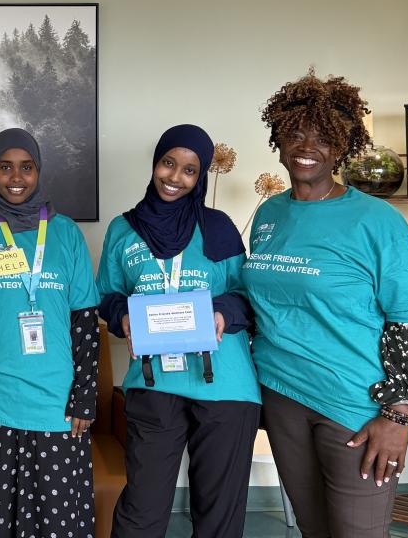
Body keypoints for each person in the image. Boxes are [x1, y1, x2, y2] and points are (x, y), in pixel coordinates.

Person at [241, 71, 408, 538]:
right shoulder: (270, 213)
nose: (306, 147)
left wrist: (398, 416)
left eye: (323, 138)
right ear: (279, 138)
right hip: (281, 396)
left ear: (342, 147)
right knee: (314, 528)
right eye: (295, 134)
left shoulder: (376, 220)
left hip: (354, 408)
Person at [97, 124, 259, 538]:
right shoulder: (123, 229)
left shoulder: (218, 226)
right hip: (154, 382)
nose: (175, 177)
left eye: (189, 170)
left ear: (201, 176)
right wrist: (123, 317)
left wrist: (222, 311)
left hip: (224, 384)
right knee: (142, 511)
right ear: (156, 164)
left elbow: (247, 297)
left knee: (217, 514)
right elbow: (107, 295)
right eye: (169, 163)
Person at [0, 128, 99, 538]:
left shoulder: (65, 236)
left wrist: (85, 397)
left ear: (39, 172)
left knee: (55, 523)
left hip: (54, 402)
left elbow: (84, 322)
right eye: (5, 167)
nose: (16, 177)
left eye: (26, 167)